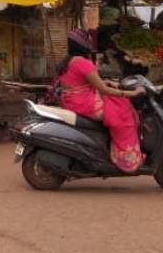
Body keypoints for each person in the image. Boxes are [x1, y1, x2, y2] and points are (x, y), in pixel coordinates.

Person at [55, 29, 144, 172]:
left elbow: (83, 82)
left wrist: (107, 82)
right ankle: (126, 158)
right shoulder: (84, 63)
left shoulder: (67, 61)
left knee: (116, 103)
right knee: (122, 113)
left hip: (71, 101)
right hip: (84, 103)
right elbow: (103, 90)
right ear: (84, 44)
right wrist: (131, 93)